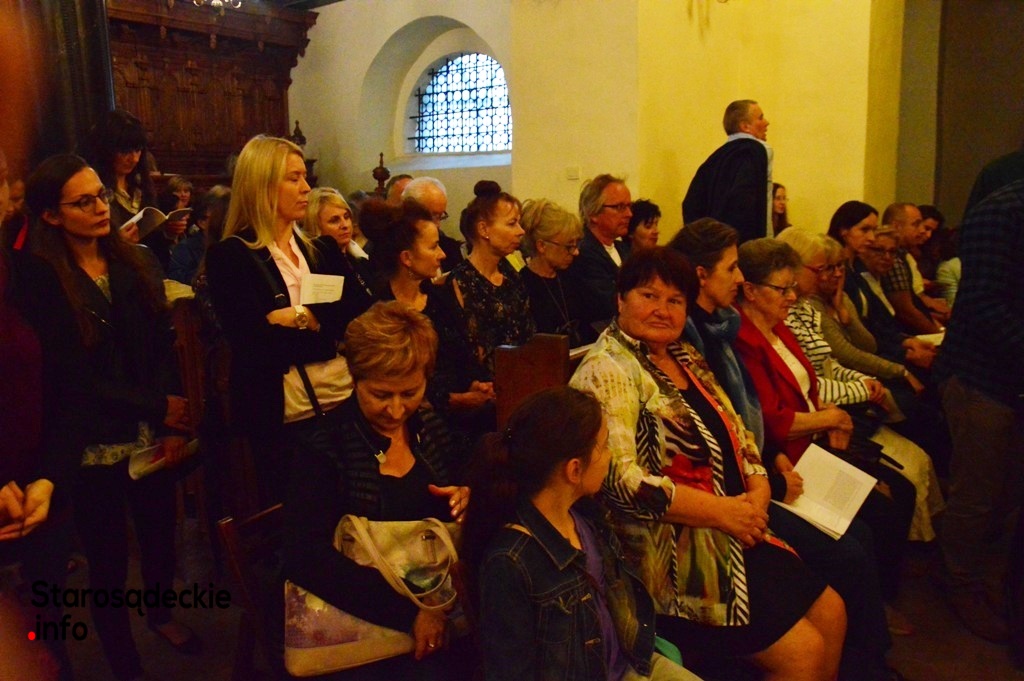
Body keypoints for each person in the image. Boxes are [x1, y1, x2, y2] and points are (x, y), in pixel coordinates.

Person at [571, 247, 846, 681]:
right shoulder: (608, 370)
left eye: (675, 300)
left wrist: (758, 486)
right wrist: (724, 512)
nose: (662, 310)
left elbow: (737, 428)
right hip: (671, 556)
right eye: (648, 296)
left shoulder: (683, 354)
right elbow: (620, 481)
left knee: (833, 611)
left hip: (733, 526)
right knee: (803, 653)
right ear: (620, 299)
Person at [670, 219, 896, 680]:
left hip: (767, 467)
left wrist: (771, 459)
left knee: (875, 516)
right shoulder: (697, 338)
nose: (738, 279)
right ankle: (867, 662)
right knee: (847, 555)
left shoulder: (719, 327)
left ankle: (870, 651)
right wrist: (771, 478)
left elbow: (743, 422)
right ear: (701, 276)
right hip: (736, 494)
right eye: (732, 269)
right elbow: (722, 440)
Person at [26, 153, 198, 680]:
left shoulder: (135, 259)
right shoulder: (43, 278)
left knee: (159, 535)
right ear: (51, 215)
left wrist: (170, 419)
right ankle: (123, 657)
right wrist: (158, 406)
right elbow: (73, 379)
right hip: (93, 436)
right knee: (107, 559)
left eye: (101, 195)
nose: (101, 208)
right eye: (83, 202)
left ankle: (160, 614)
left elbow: (162, 346)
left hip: (150, 427)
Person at [732, 237, 916, 628]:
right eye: (782, 289)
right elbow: (772, 421)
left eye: (793, 287)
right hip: (790, 459)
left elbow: (813, 385)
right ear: (750, 290)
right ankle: (868, 619)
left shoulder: (780, 328)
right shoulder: (743, 340)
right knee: (867, 528)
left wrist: (830, 416)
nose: (792, 296)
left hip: (814, 446)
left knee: (900, 493)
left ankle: (879, 601)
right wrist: (830, 419)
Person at [283, 301, 470, 681]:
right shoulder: (324, 446)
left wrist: (467, 494)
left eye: (410, 392)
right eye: (381, 395)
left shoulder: (430, 427)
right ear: (355, 379)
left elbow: (460, 489)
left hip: (434, 605)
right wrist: (409, 614)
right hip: (358, 627)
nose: (397, 410)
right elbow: (305, 556)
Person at [464, 386, 702, 681]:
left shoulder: (585, 515)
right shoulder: (511, 562)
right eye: (603, 447)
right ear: (574, 470)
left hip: (628, 664)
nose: (609, 456)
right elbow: (510, 672)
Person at [205, 135, 371, 505]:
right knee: (300, 513)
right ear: (262, 184)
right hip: (282, 411)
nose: (306, 188)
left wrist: (301, 316)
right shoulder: (231, 257)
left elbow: (359, 316)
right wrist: (328, 334)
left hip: (342, 397)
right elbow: (256, 346)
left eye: (304, 177)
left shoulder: (321, 249)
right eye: (293, 178)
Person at [776, 229, 944, 543]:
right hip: (818, 426)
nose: (832, 274)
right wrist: (868, 386)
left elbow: (862, 345)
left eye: (836, 267)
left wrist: (842, 309)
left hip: (836, 408)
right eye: (823, 268)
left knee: (921, 424)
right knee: (915, 419)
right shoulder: (784, 318)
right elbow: (824, 372)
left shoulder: (808, 307)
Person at [934, 177, 1024, 643]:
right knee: (977, 491)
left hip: (1010, 378)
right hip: (981, 376)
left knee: (1008, 490)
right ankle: (960, 583)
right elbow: (983, 304)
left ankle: (986, 578)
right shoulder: (1001, 211)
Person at [359, 198, 494, 462]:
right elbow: (392, 381)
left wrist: (475, 383)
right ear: (407, 258)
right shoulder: (380, 310)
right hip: (414, 421)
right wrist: (454, 399)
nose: (442, 254)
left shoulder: (440, 299)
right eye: (433, 247)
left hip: (463, 414)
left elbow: (463, 354)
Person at [828, 201, 937, 371]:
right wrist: (903, 353)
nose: (871, 238)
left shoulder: (856, 269)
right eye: (865, 230)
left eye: (873, 230)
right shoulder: (837, 273)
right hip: (860, 360)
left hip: (880, 349)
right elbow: (853, 335)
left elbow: (878, 321)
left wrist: (906, 341)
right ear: (844, 231)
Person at [445, 180, 534, 373]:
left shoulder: (511, 273)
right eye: (512, 224)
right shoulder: (461, 281)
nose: (521, 231)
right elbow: (468, 353)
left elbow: (528, 334)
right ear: (484, 229)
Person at [78, 110, 187, 262]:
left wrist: (168, 231)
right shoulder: (93, 188)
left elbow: (153, 242)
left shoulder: (140, 185)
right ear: (107, 149)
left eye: (138, 150)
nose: (134, 158)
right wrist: (118, 244)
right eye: (126, 151)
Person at [682, 100, 772, 244]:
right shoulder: (756, 149)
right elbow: (743, 199)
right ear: (745, 126)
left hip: (716, 248)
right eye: (760, 118)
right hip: (743, 245)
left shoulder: (713, 160)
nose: (767, 123)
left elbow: (690, 204)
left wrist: (706, 243)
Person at [519, 198, 596, 347]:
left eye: (577, 244)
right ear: (542, 246)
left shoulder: (573, 277)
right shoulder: (522, 287)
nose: (576, 252)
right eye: (569, 247)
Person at [565, 173, 633, 329]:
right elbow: (606, 304)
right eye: (620, 207)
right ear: (593, 213)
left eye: (629, 206)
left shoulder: (624, 249)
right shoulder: (583, 253)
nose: (629, 214)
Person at [878, 203, 947, 334]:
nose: (922, 231)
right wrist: (938, 333)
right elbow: (906, 311)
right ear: (896, 226)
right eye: (916, 224)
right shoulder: (892, 259)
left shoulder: (903, 254)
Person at [302, 187, 374, 301]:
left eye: (346, 217)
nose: (345, 225)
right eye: (334, 220)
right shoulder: (317, 268)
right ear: (316, 226)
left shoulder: (360, 260)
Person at [167, 185, 230, 286]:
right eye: (220, 217)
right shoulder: (186, 248)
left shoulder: (234, 245)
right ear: (202, 222)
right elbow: (175, 279)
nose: (226, 222)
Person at [403, 176, 464, 269]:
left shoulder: (450, 249)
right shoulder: (390, 251)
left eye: (440, 216)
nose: (437, 225)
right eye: (432, 216)